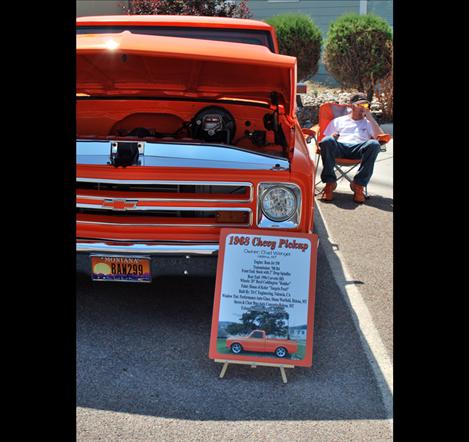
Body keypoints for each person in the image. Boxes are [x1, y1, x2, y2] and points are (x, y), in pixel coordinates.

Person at [319, 93, 385, 204]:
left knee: (374, 144)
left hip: (359, 149)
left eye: (366, 105)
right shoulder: (338, 121)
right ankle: (330, 184)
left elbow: (381, 137)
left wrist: (369, 117)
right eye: (360, 105)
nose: (364, 108)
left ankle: (358, 185)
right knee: (327, 141)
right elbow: (326, 140)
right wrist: (332, 137)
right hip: (340, 148)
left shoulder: (369, 123)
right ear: (352, 106)